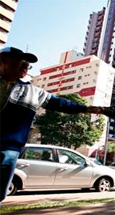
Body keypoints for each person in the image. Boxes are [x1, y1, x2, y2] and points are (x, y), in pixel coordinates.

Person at [0, 47, 88, 203]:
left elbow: (62, 104)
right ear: (2, 62)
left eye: (27, 64)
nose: (25, 67)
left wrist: (88, 109)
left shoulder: (33, 92)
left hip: (9, 151)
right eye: (20, 62)